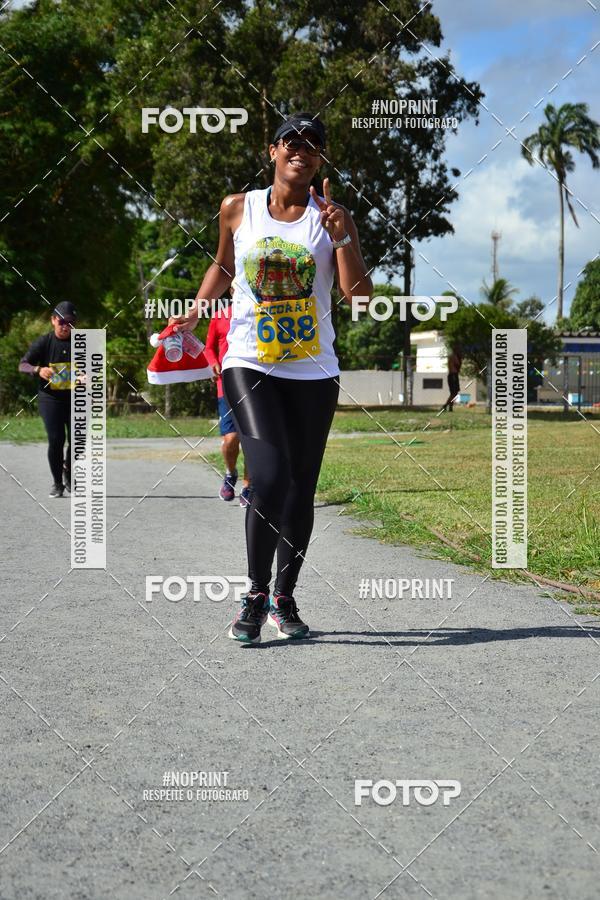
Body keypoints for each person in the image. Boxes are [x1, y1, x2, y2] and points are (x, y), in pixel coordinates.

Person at [172, 111, 372, 644]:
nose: (300, 150)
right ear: (273, 151)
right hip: (250, 361)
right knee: (269, 475)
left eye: (312, 144)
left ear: (321, 158)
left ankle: (284, 595)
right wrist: (196, 311)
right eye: (291, 142)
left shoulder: (334, 217)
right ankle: (255, 594)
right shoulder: (239, 208)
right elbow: (223, 265)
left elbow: (359, 298)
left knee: (301, 488)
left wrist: (342, 239)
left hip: (313, 369)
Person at [19, 301, 77, 498]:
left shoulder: (83, 343)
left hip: (76, 397)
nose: (65, 326)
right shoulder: (44, 342)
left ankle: (68, 468)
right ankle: (57, 483)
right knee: (56, 439)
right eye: (61, 322)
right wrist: (38, 369)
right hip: (50, 397)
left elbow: (95, 368)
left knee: (78, 440)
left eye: (70, 323)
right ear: (53, 320)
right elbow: (23, 365)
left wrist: (89, 375)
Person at [203, 293, 252, 506]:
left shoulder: (258, 313)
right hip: (226, 386)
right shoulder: (220, 315)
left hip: (254, 386)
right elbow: (208, 347)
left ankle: (249, 485)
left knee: (252, 440)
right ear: (232, 292)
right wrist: (213, 362)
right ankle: (230, 473)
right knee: (231, 439)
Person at [442, 343, 462, 412]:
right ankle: (445, 406)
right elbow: (457, 364)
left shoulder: (453, 356)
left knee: (455, 393)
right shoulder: (453, 356)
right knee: (453, 393)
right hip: (453, 375)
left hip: (454, 375)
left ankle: (450, 407)